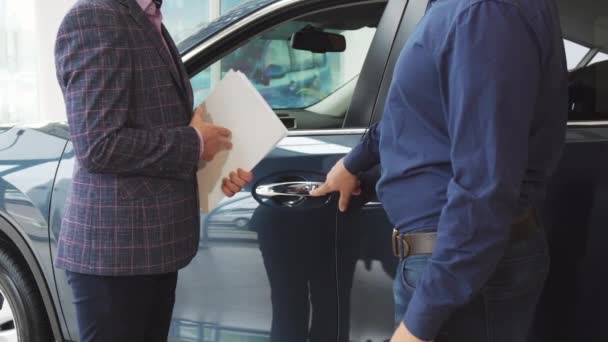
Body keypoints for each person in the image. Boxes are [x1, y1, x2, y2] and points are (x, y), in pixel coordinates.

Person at [311, 0, 568, 341]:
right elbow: (421, 111)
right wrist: (354, 160)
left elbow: (484, 187)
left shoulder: (483, 13)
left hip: (461, 267)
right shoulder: (465, 12)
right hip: (455, 262)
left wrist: (419, 324)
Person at [53, 0, 252, 341]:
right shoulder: (95, 17)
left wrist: (212, 164)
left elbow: (152, 121)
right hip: (116, 256)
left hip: (149, 250)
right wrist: (195, 144)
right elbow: (99, 145)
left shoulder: (147, 17)